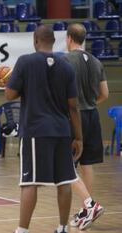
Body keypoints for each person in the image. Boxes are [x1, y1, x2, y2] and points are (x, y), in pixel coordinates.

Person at [5, 25, 83, 233]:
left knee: (29, 182)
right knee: (65, 180)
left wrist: (8, 83)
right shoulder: (66, 66)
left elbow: (9, 95)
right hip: (62, 130)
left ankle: (22, 230)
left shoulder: (25, 62)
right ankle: (63, 227)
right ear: (53, 41)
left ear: (35, 40)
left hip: (35, 131)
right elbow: (73, 106)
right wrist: (78, 137)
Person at [63, 23, 108, 230]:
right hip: (92, 115)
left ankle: (89, 205)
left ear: (69, 38)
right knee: (87, 163)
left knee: (63, 165)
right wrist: (90, 104)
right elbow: (104, 94)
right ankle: (86, 208)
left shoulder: (65, 60)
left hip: (74, 117)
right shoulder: (97, 61)